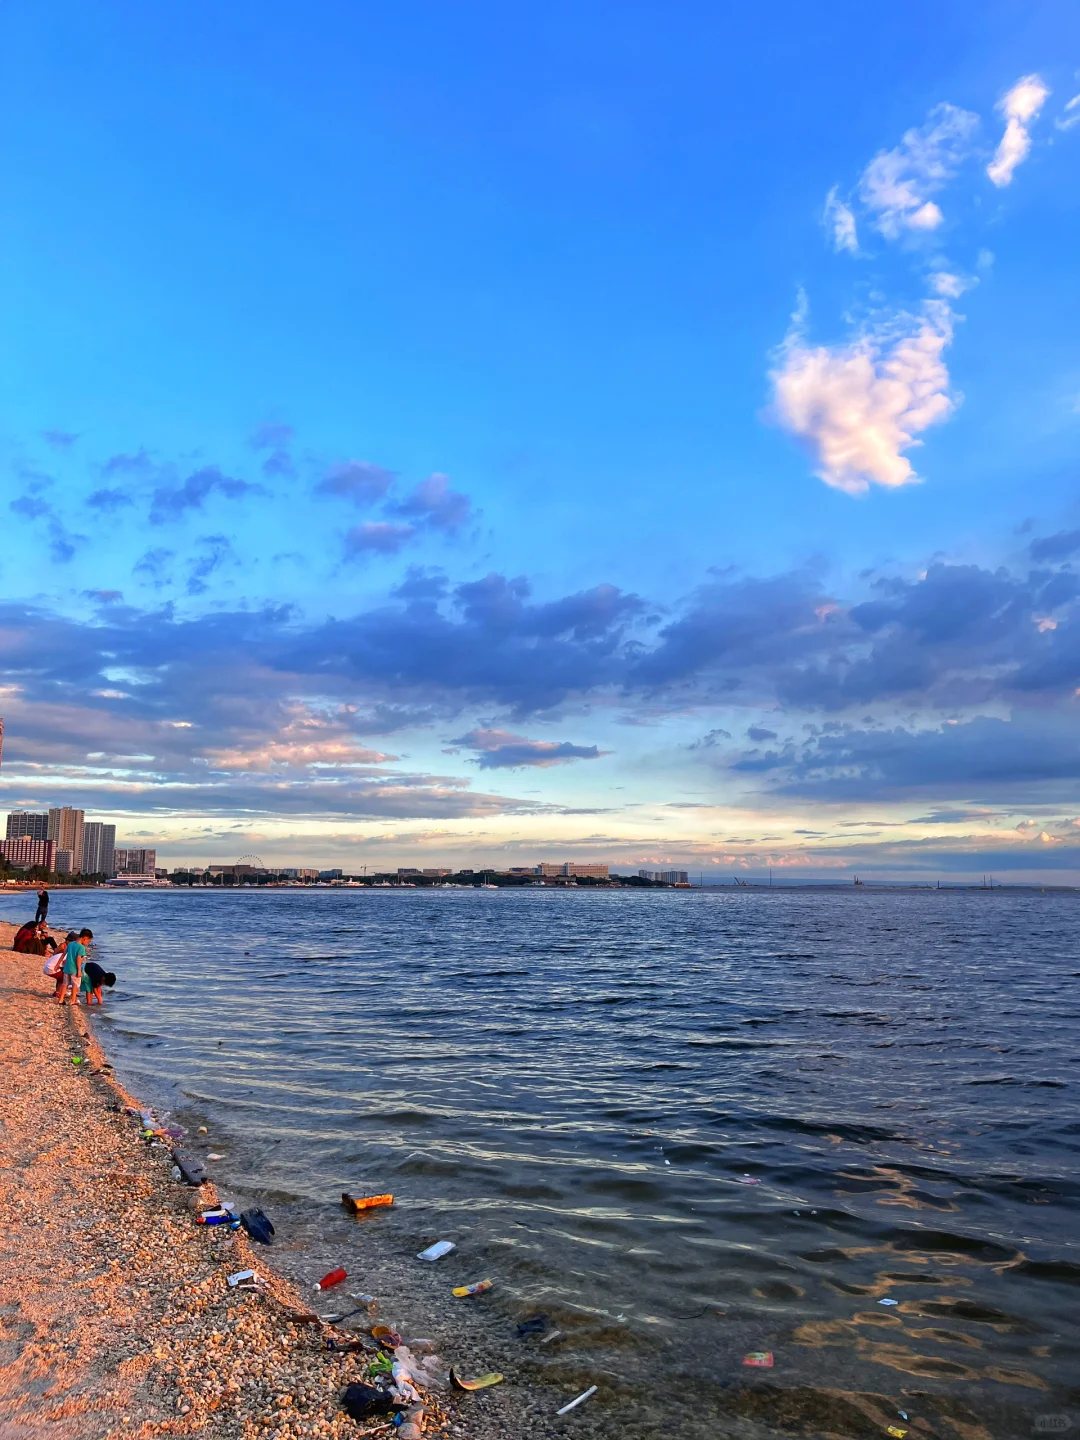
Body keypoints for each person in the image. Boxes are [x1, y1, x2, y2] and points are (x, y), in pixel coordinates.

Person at [57, 928, 93, 1006]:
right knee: (75, 985)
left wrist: (58, 964)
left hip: (67, 968)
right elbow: (78, 959)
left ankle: (61, 999)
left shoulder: (71, 944)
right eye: (88, 941)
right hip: (75, 969)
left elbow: (63, 954)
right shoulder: (81, 947)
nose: (87, 943)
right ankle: (73, 1000)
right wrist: (79, 970)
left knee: (65, 984)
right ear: (85, 938)